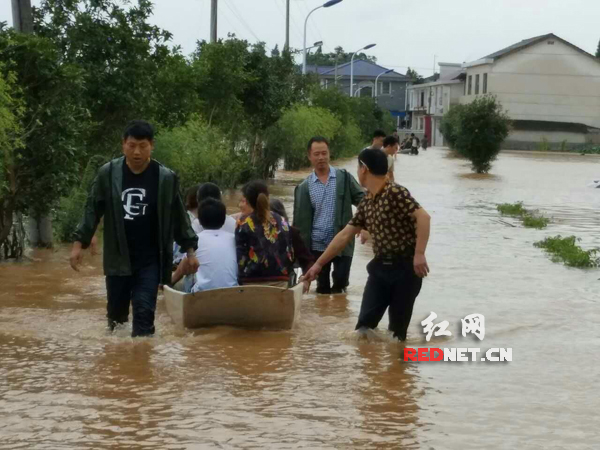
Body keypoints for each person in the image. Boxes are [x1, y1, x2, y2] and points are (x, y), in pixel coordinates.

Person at [70, 120, 198, 337]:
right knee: (116, 321)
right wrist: (77, 245)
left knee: (144, 314)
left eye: (142, 146)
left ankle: (141, 364)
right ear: (123, 145)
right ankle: (119, 366)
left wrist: (190, 252)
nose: (137, 152)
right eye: (131, 146)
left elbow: (179, 216)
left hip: (150, 259)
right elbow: (92, 209)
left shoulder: (165, 177)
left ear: (152, 146)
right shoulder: (108, 174)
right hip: (117, 256)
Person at [302, 148, 431, 341]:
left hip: (405, 271)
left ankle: (396, 370)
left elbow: (424, 217)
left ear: (363, 169)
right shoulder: (367, 202)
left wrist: (419, 254)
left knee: (397, 335)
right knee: (363, 329)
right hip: (379, 270)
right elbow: (345, 235)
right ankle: (369, 369)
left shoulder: (395, 192)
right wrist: (318, 265)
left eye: (358, 167)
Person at [293, 137, 365, 295]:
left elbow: (364, 200)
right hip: (317, 244)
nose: (321, 158)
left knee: (340, 283)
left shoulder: (344, 178)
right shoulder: (305, 187)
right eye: (316, 154)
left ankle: (338, 316)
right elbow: (298, 223)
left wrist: (365, 225)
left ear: (329, 154)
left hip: (342, 241)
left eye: (324, 153)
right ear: (309, 156)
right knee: (322, 290)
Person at [236, 181, 294, 287]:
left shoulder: (243, 224)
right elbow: (289, 250)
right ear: (268, 197)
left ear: (248, 201)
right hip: (281, 280)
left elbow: (240, 257)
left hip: (251, 281)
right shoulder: (282, 220)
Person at [172, 198, 238, 293]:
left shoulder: (195, 240)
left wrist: (169, 283)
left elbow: (185, 265)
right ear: (223, 220)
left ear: (200, 221)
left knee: (183, 277)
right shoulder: (233, 238)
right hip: (232, 292)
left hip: (202, 294)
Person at [270, 198, 315, 289]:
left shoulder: (290, 232)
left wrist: (306, 278)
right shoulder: (249, 230)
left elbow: (307, 260)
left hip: (283, 281)